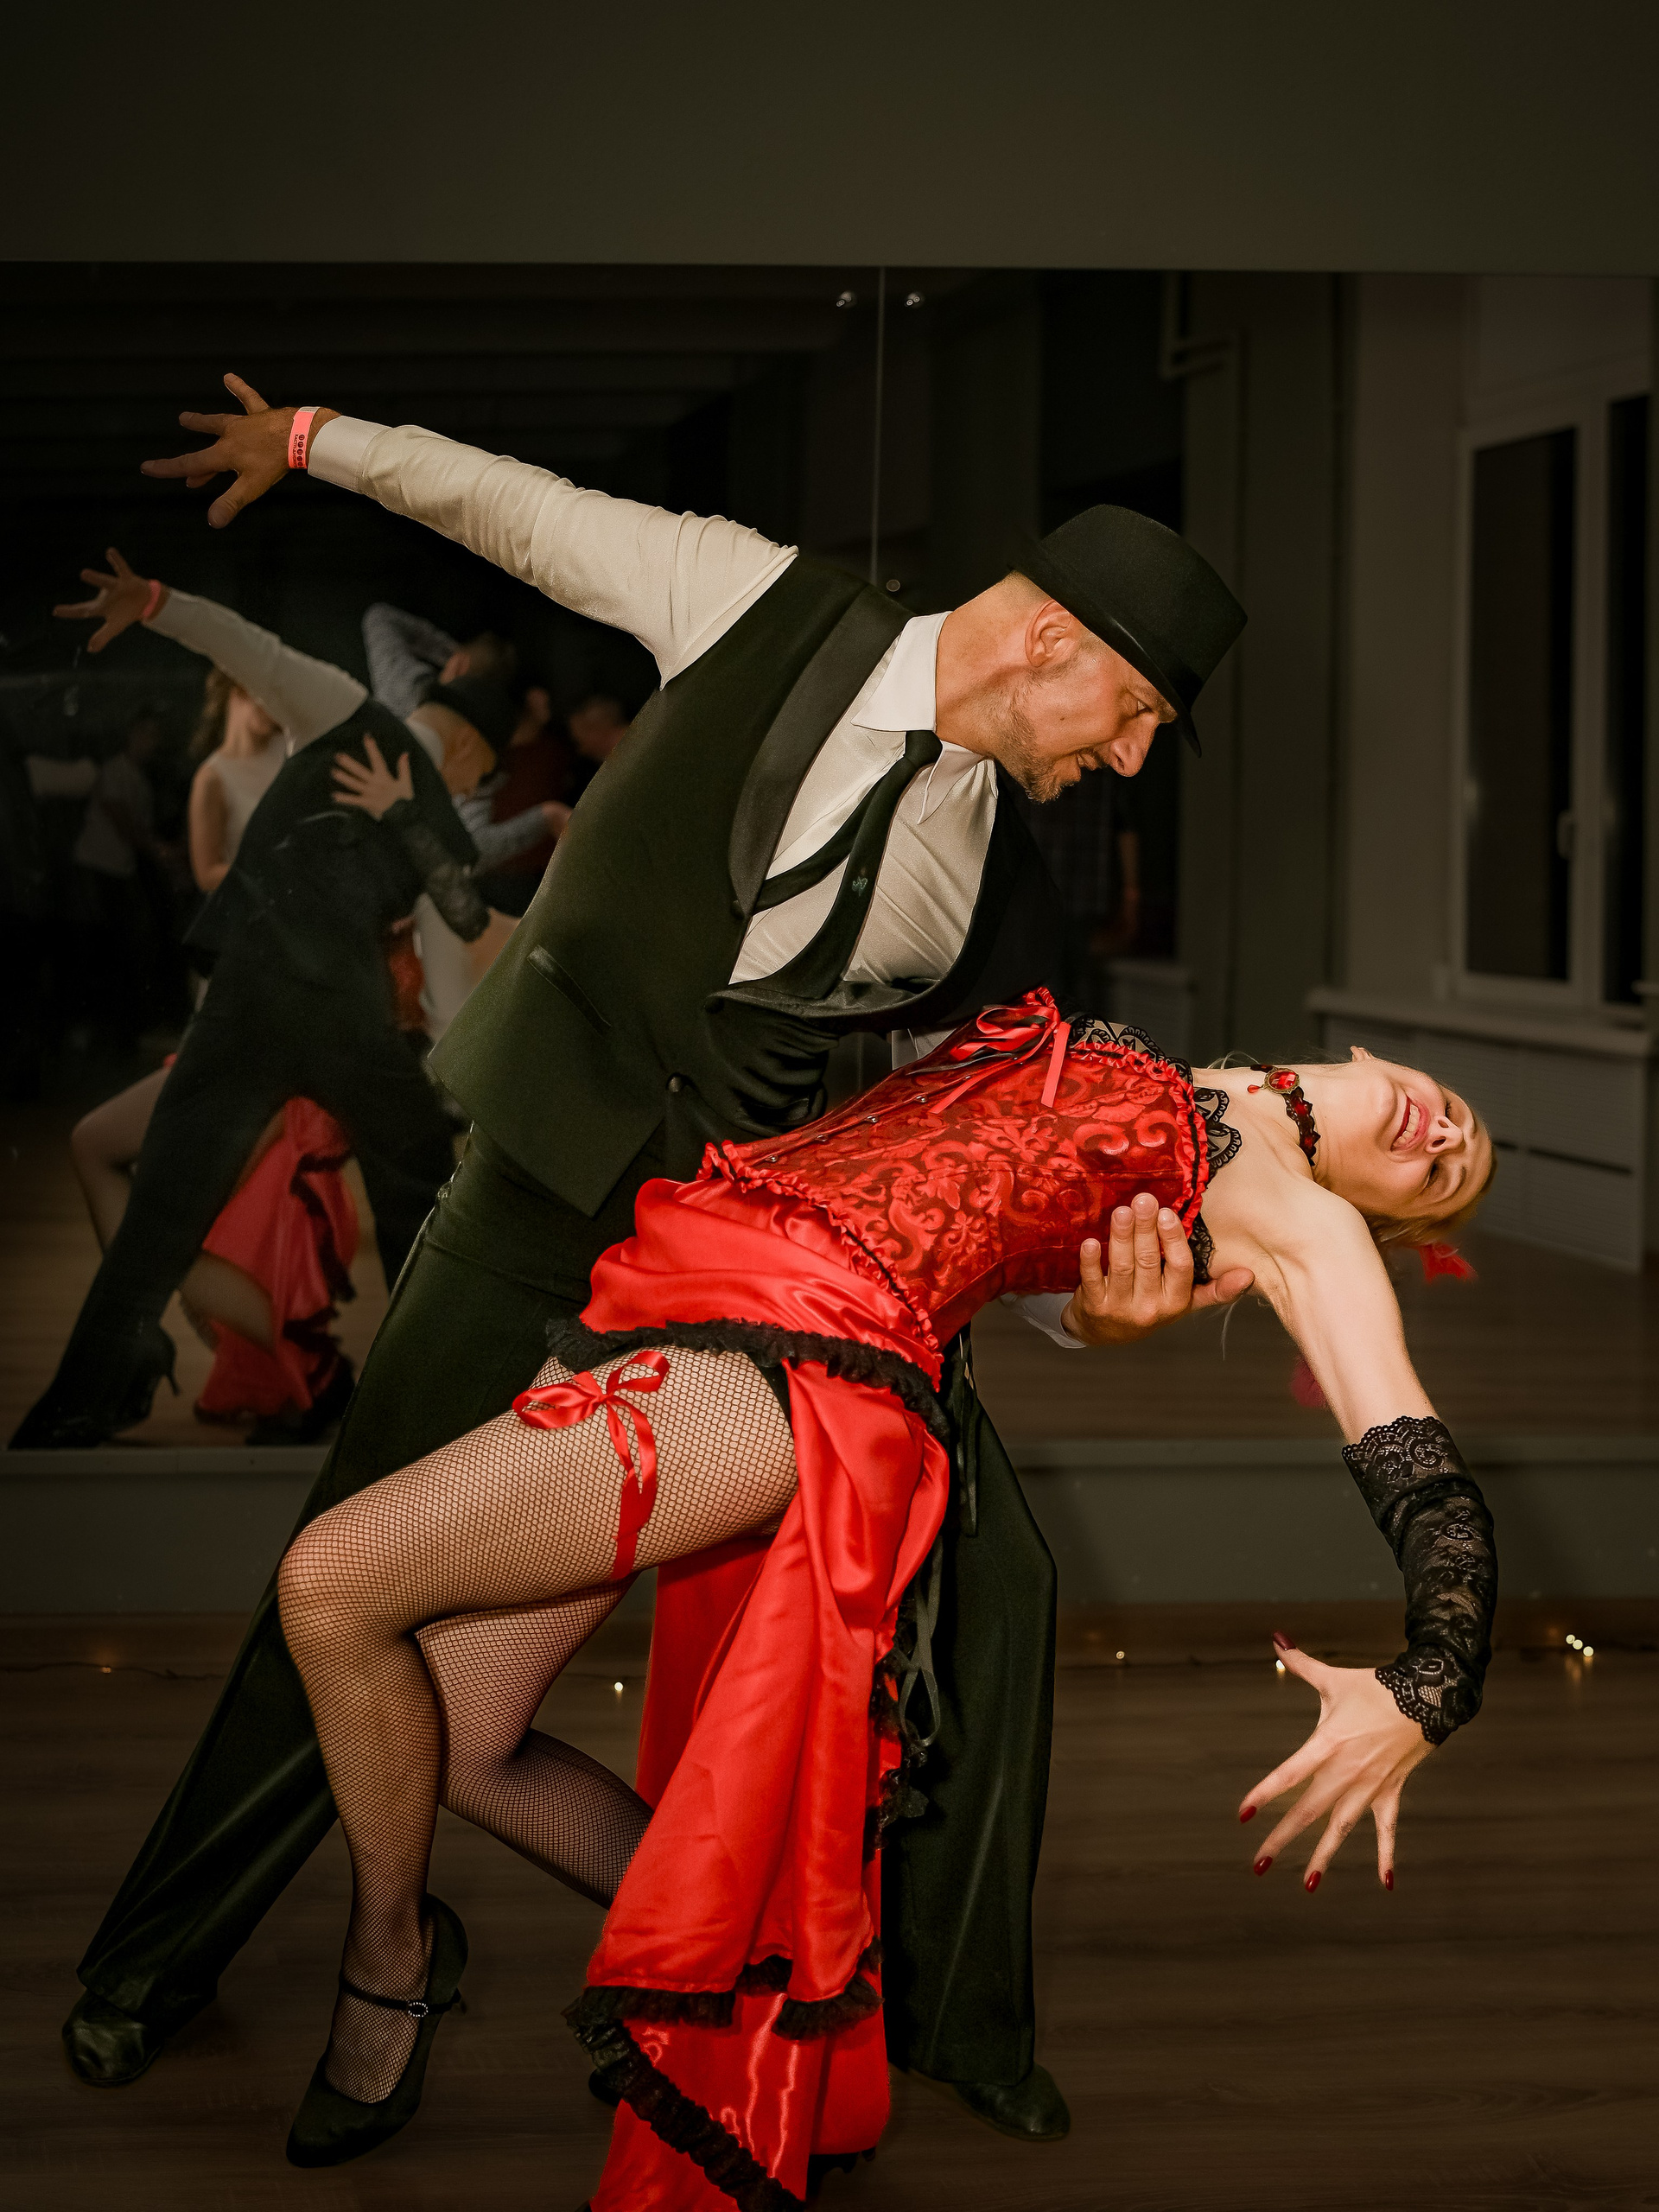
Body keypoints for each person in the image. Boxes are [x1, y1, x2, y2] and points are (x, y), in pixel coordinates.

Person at [60, 374, 1251, 2142]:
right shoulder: (754, 600)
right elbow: (513, 507)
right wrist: (310, 441)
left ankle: (904, 2014)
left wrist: (1089, 1304)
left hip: (740, 1255)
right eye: (1138, 712)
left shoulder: (994, 849)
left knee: (984, 1582)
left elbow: (958, 1127)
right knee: (340, 1578)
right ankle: (164, 1960)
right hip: (543, 1182)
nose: (1132, 760)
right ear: (1050, 641)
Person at [270, 995, 1497, 2196]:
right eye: (1456, 1116)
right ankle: (741, 1969)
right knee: (453, 1736)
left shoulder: (1304, 1224)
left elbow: (1418, 1463)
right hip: (690, 1267)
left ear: (1379, 1219)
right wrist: (1091, 1315)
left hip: (790, 1352)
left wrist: (1432, 1678)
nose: (1439, 1136)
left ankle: (390, 1959)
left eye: (1442, 1177)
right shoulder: (1192, 1084)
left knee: (327, 1583)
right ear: (1371, 1049)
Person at [11, 550, 515, 1452]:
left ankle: (86, 1398)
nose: (476, 791)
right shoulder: (423, 800)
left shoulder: (344, 717)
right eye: (484, 777)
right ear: (474, 748)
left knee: (165, 1207)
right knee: (421, 1191)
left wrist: (157, 602)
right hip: (342, 1025)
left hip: (244, 1009)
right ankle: (437, 1406)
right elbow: (450, 966)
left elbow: (253, 651)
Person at [67, 660, 363, 1440]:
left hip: (270, 1022)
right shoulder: (216, 777)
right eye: (260, 691)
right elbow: (208, 876)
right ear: (231, 691)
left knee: (203, 1212)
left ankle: (306, 1372)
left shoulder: (305, 777)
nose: (272, 707)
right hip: (242, 1007)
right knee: (188, 1206)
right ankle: (301, 1371)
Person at [363, 601, 567, 1033]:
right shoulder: (407, 694)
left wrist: (449, 657)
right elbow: (469, 854)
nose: (469, 789)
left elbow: (465, 859)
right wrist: (543, 818)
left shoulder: (410, 692)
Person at [71, 704, 177, 1049]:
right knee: (105, 948)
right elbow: (122, 820)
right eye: (145, 734)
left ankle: (121, 1031)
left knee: (123, 948)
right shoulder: (115, 770)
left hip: (118, 870)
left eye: (156, 736)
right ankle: (102, 1032)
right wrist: (159, 851)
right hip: (97, 868)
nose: (151, 742)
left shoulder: (140, 778)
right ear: (132, 734)